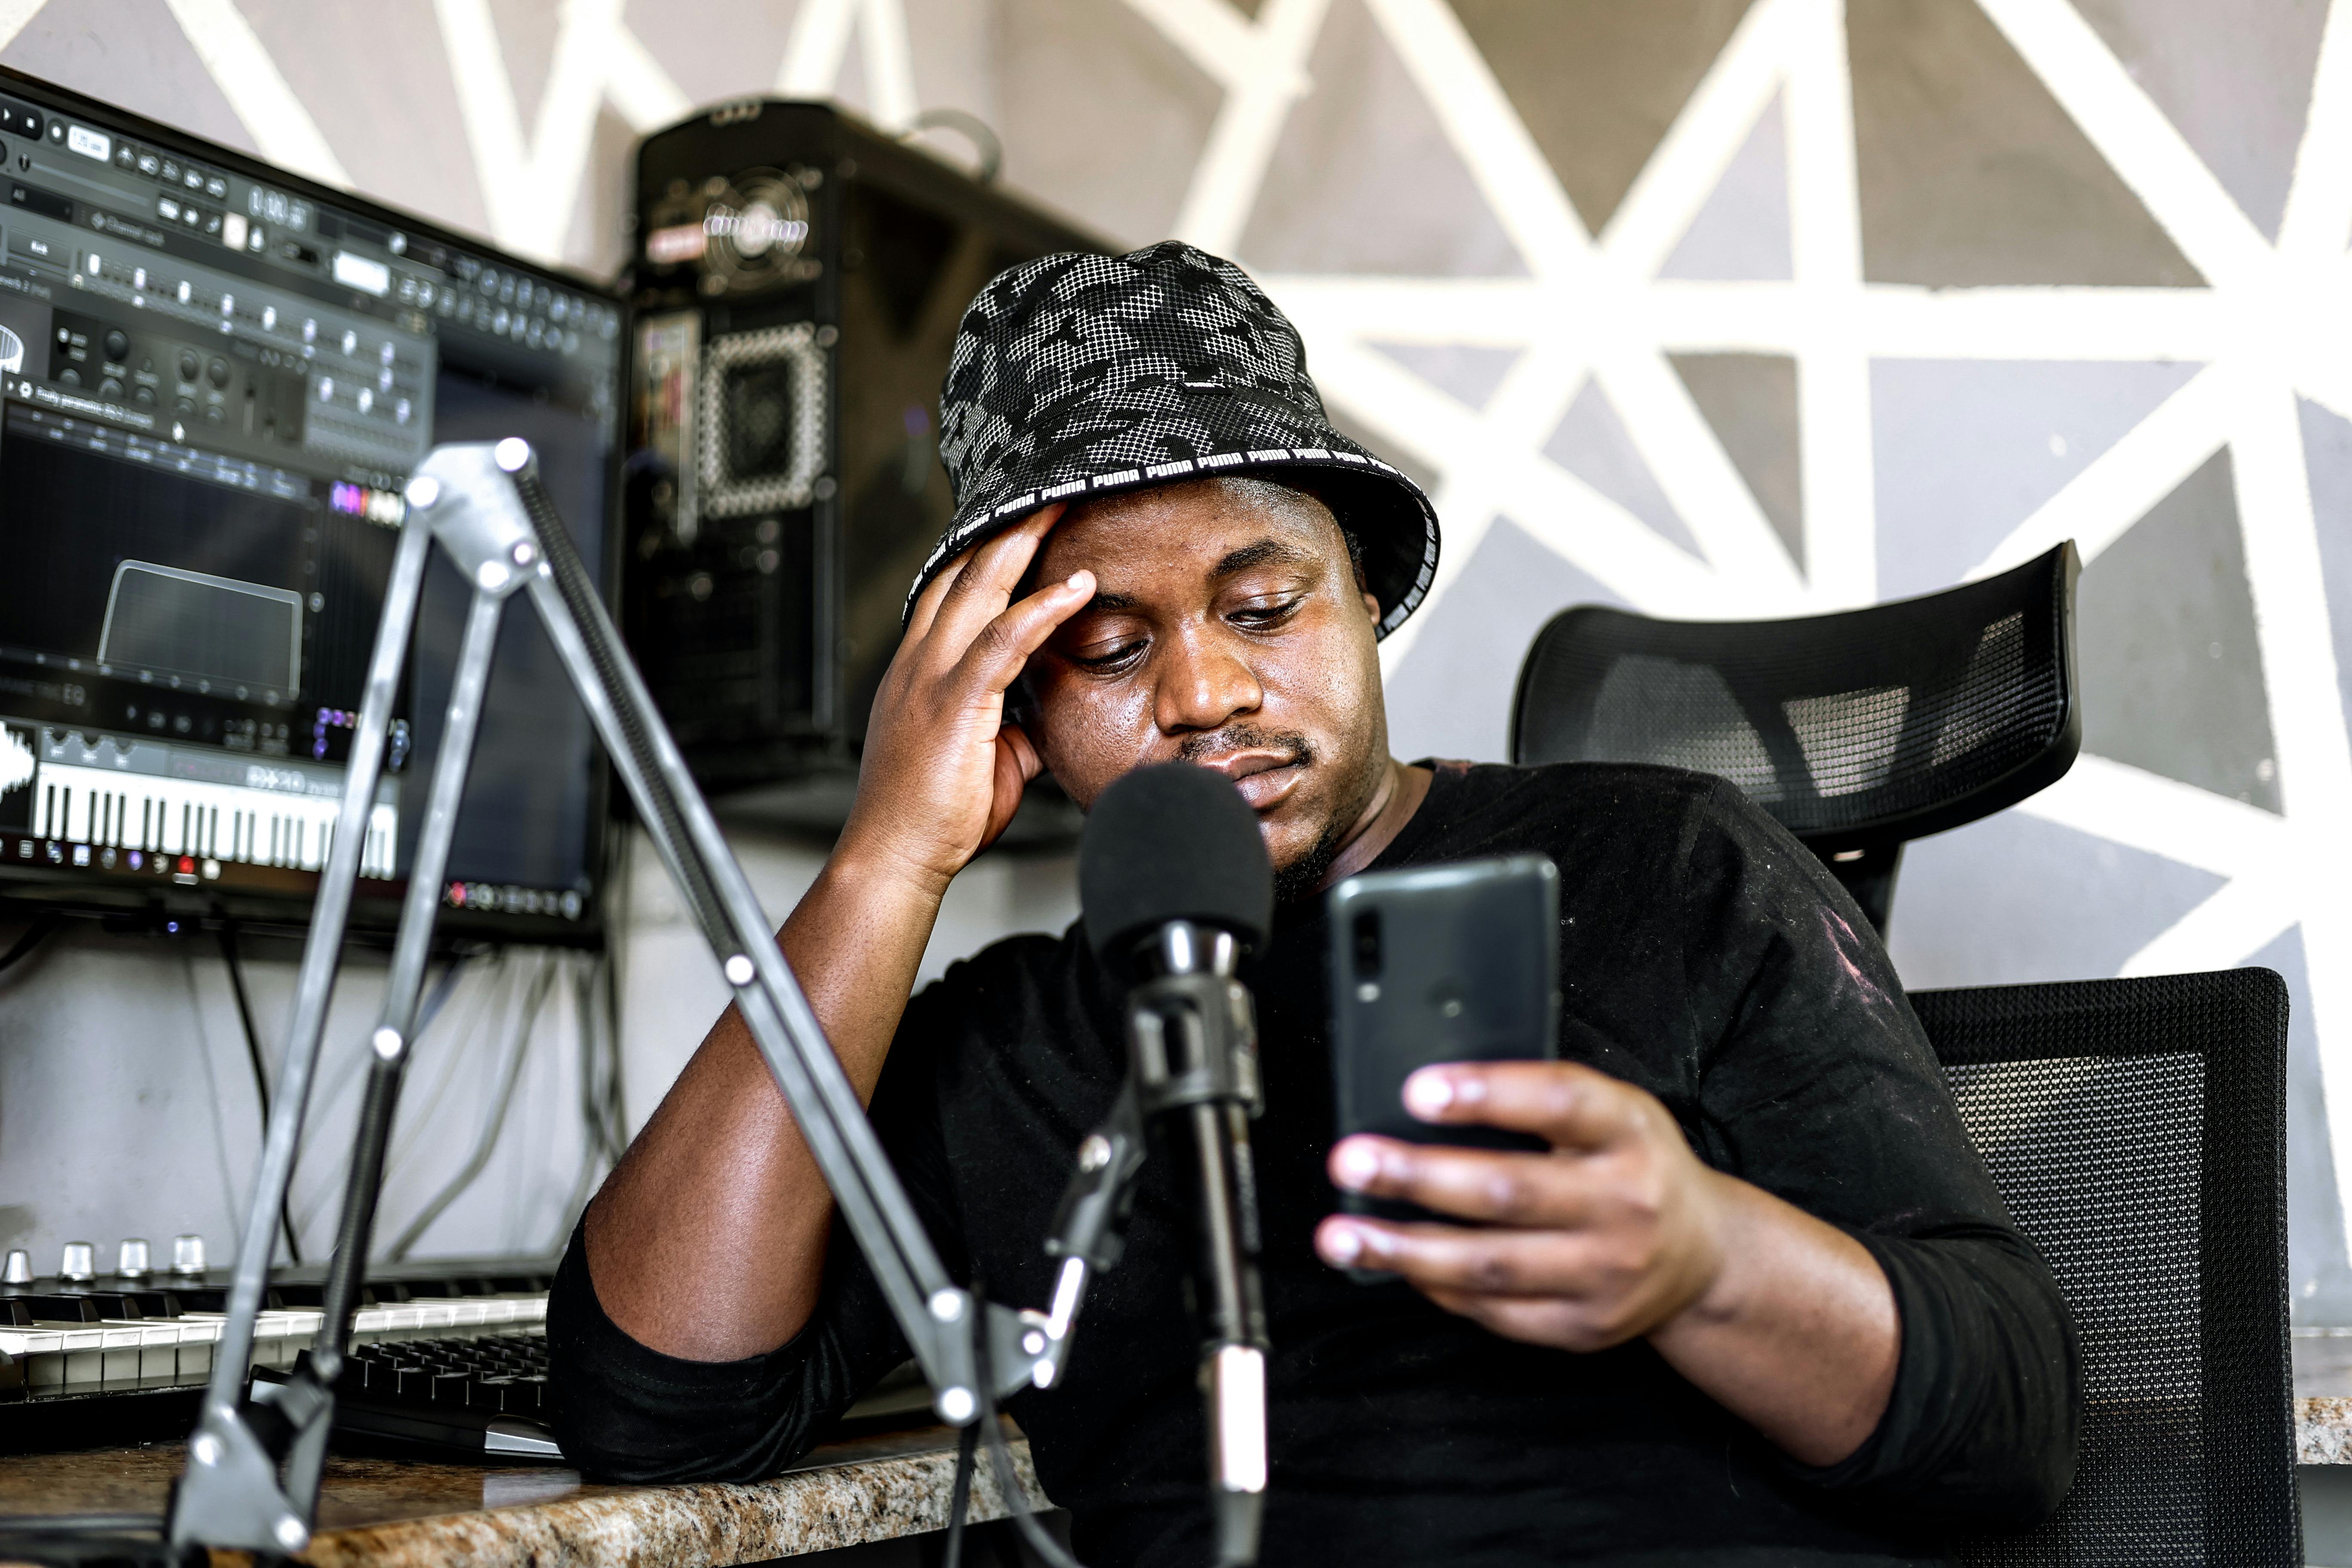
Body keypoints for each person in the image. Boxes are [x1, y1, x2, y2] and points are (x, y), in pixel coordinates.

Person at [549, 242, 2080, 1566]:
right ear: (1012, 699)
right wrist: (887, 857)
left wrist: (1704, 1262)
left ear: (1361, 601)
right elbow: (656, 1411)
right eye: (1109, 648)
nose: (1207, 691)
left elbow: (2014, 1422)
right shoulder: (1008, 1049)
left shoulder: (1665, 866)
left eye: (1265, 605)